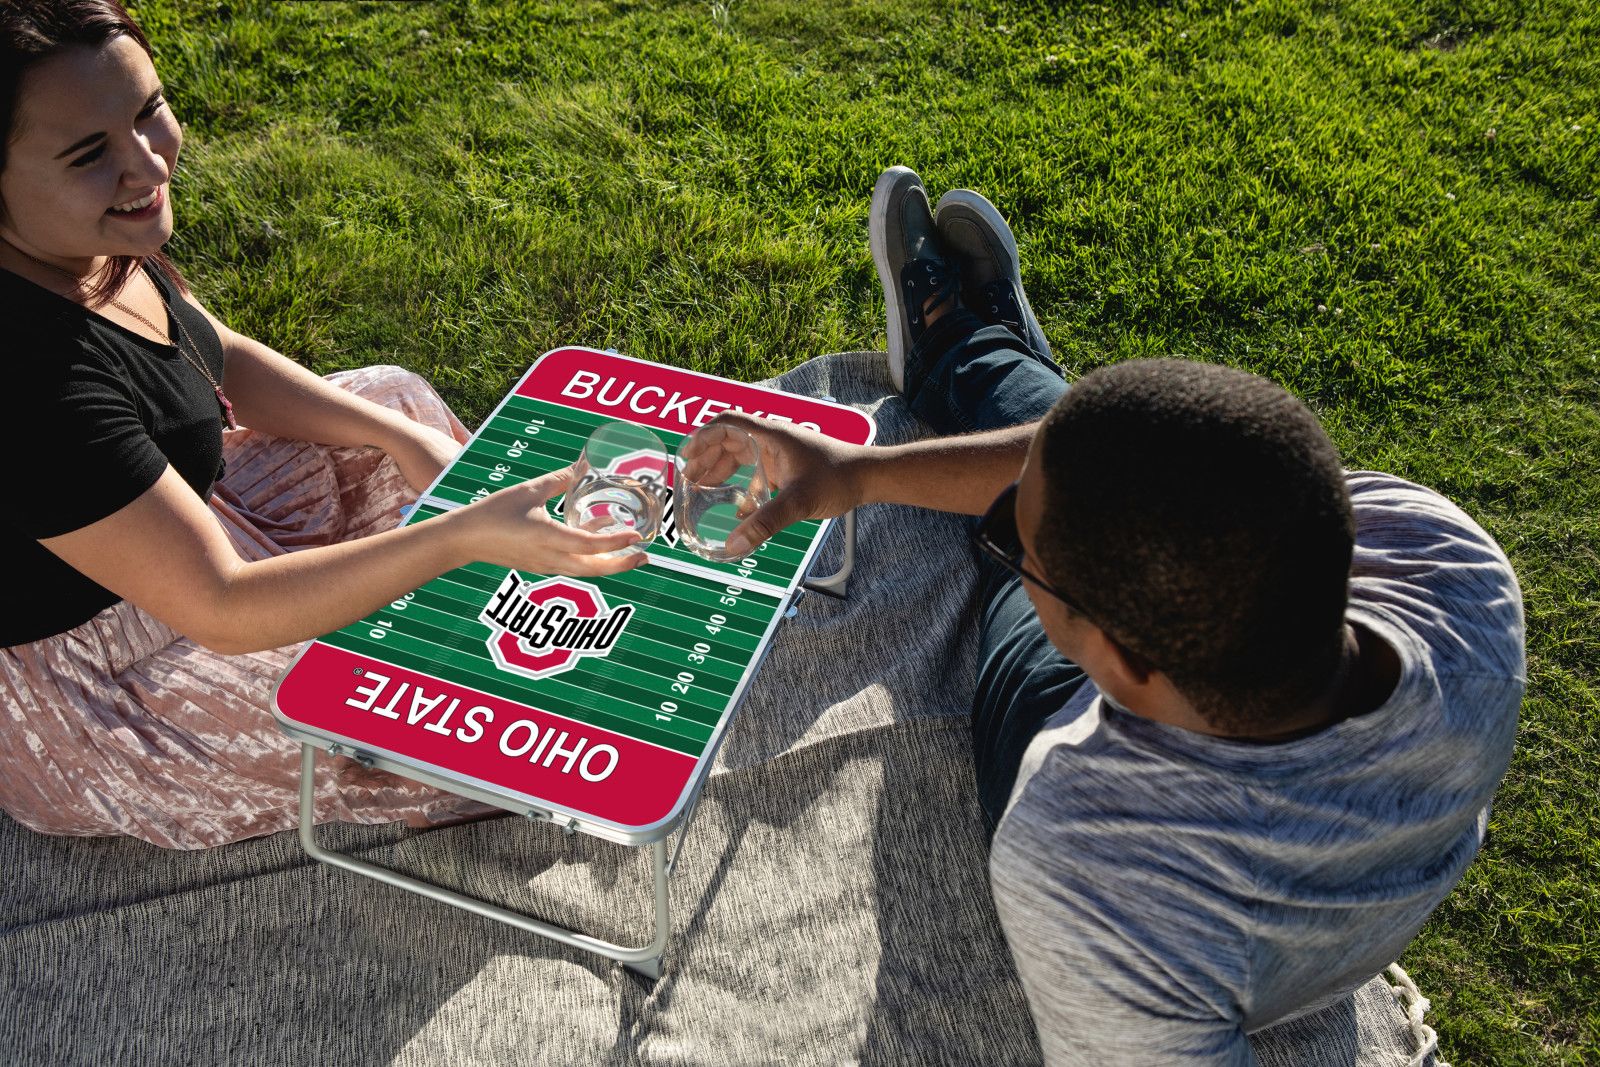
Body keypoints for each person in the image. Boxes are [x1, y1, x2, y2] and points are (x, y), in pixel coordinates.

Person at [710, 166, 1524, 1063]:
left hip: (1072, 737)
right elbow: (1151, 472)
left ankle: (973, 355)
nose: (1009, 549)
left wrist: (992, 518)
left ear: (1119, 661)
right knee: (1107, 459)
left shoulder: (1090, 858)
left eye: (1020, 551)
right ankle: (983, 358)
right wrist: (854, 474)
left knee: (1042, 531)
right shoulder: (1451, 562)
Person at [0, 0, 644, 850]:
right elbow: (222, 605)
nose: (147, 160)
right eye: (90, 153)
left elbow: (211, 352)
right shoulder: (28, 376)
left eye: (149, 109)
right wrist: (459, 537)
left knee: (392, 400)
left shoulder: (82, 241)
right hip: (111, 683)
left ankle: (514, 591)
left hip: (196, 527)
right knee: (438, 713)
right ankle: (516, 621)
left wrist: (401, 439)